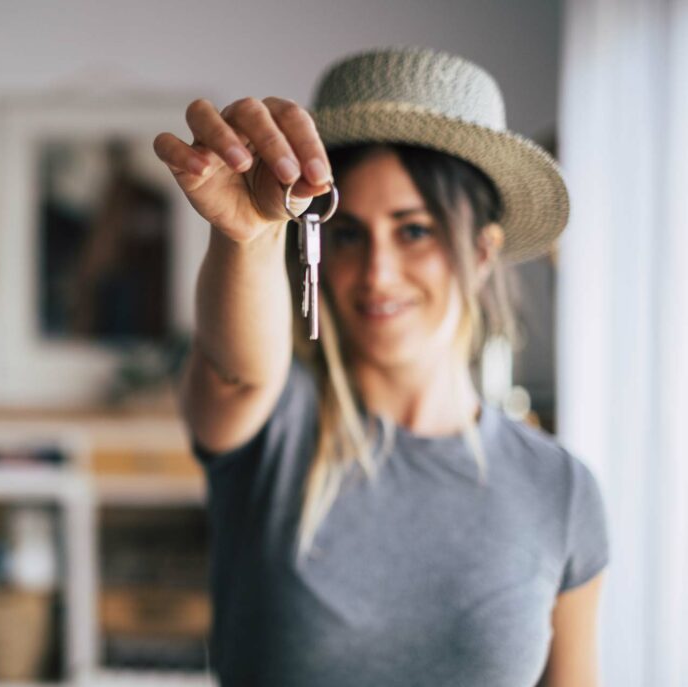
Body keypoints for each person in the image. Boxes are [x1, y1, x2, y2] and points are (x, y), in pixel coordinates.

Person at [153, 48, 609, 686]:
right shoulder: (278, 429)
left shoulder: (561, 492)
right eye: (348, 234)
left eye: (414, 231)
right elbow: (236, 372)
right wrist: (248, 238)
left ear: (482, 251)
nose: (377, 274)